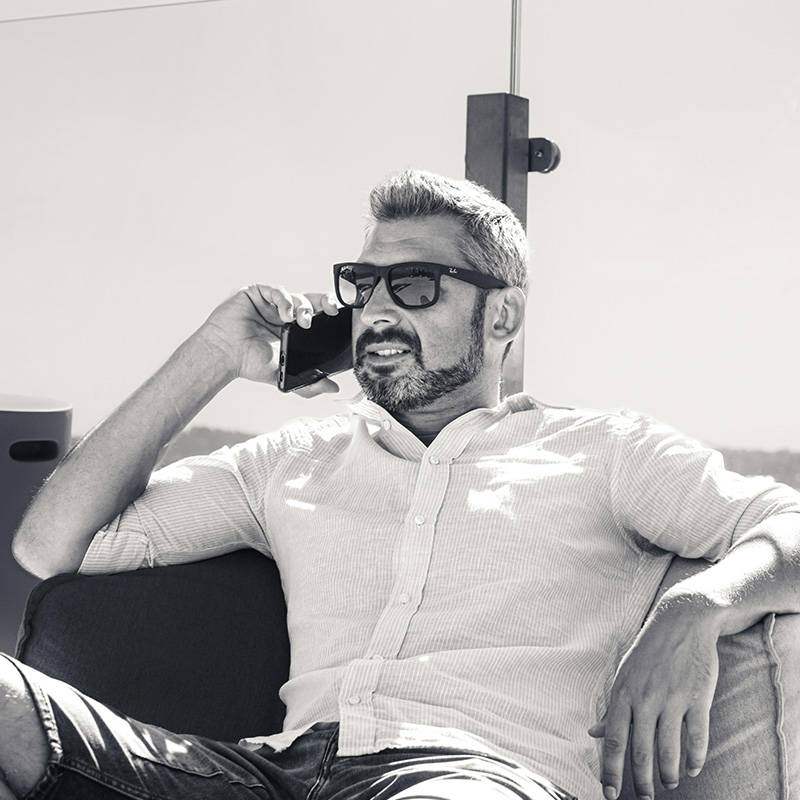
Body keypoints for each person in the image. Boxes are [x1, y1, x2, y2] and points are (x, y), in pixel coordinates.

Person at [5, 169, 800, 800]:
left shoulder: (605, 451)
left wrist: (698, 605)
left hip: (472, 777)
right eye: (365, 284)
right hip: (270, 773)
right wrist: (212, 353)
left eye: (415, 285)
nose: (377, 311)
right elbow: (50, 546)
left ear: (502, 316)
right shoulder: (289, 461)